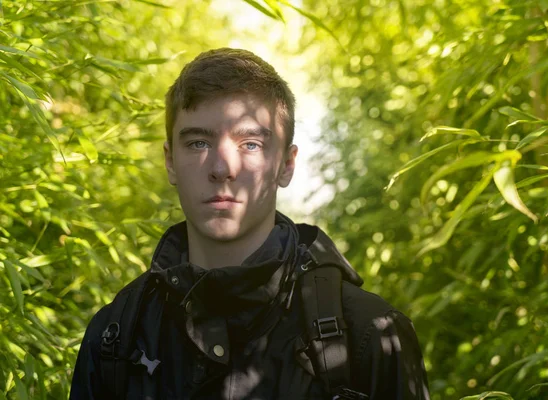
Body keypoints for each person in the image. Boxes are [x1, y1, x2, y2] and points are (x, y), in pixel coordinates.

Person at [69, 48, 430, 400]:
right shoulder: (115, 337)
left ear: (287, 165)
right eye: (197, 143)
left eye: (251, 144)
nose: (223, 168)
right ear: (170, 162)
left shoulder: (369, 335)